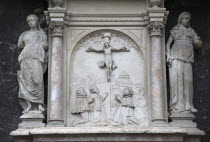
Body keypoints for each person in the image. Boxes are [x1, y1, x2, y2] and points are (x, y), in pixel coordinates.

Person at [166, 12, 202, 114]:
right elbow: (168, 44)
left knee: (188, 81)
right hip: (176, 56)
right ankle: (178, 106)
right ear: (180, 19)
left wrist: (198, 43)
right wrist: (168, 55)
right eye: (185, 18)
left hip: (188, 57)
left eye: (188, 19)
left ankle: (188, 105)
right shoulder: (175, 30)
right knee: (177, 81)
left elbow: (197, 43)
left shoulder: (192, 31)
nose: (187, 20)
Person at [17, 14, 48, 114]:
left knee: (38, 81)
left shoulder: (41, 34)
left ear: (37, 21)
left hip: (36, 60)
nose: (30, 22)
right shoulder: (24, 34)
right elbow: (20, 45)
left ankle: (39, 104)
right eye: (28, 21)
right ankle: (29, 105)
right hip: (25, 59)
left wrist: (42, 45)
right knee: (27, 82)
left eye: (32, 20)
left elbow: (46, 45)